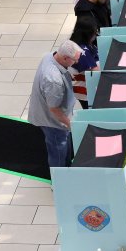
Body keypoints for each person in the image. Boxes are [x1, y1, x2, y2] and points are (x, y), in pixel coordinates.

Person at [29, 40, 83, 168]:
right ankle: (59, 180)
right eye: (74, 60)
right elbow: (54, 109)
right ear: (65, 58)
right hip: (52, 121)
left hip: (53, 113)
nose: (76, 63)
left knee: (65, 144)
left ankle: (68, 167)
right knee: (58, 150)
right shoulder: (54, 81)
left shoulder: (50, 56)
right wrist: (69, 123)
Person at [68, 16, 99, 110]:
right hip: (87, 92)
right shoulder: (81, 52)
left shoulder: (75, 42)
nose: (96, 34)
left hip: (85, 89)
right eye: (94, 32)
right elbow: (96, 72)